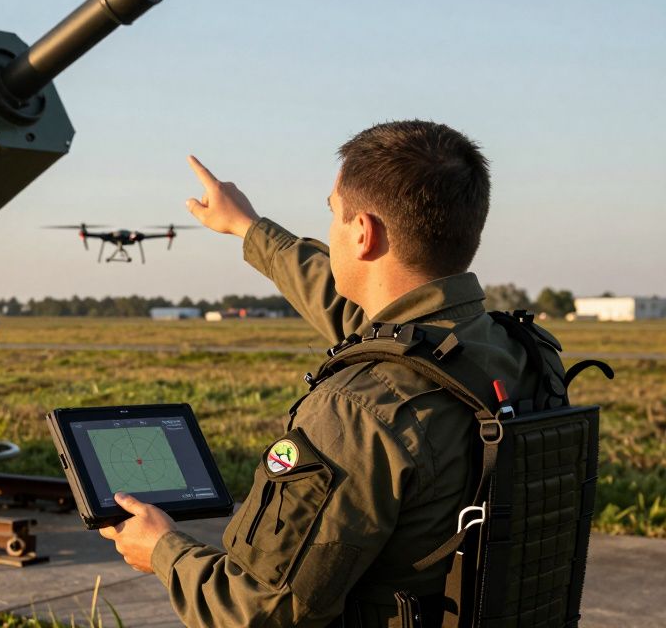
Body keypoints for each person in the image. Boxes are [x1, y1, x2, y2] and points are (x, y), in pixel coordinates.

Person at [100, 120, 563, 627]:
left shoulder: (359, 409)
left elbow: (258, 611)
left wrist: (162, 550)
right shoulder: (520, 351)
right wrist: (248, 228)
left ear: (363, 233)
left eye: (333, 217)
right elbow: (356, 313)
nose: (330, 232)